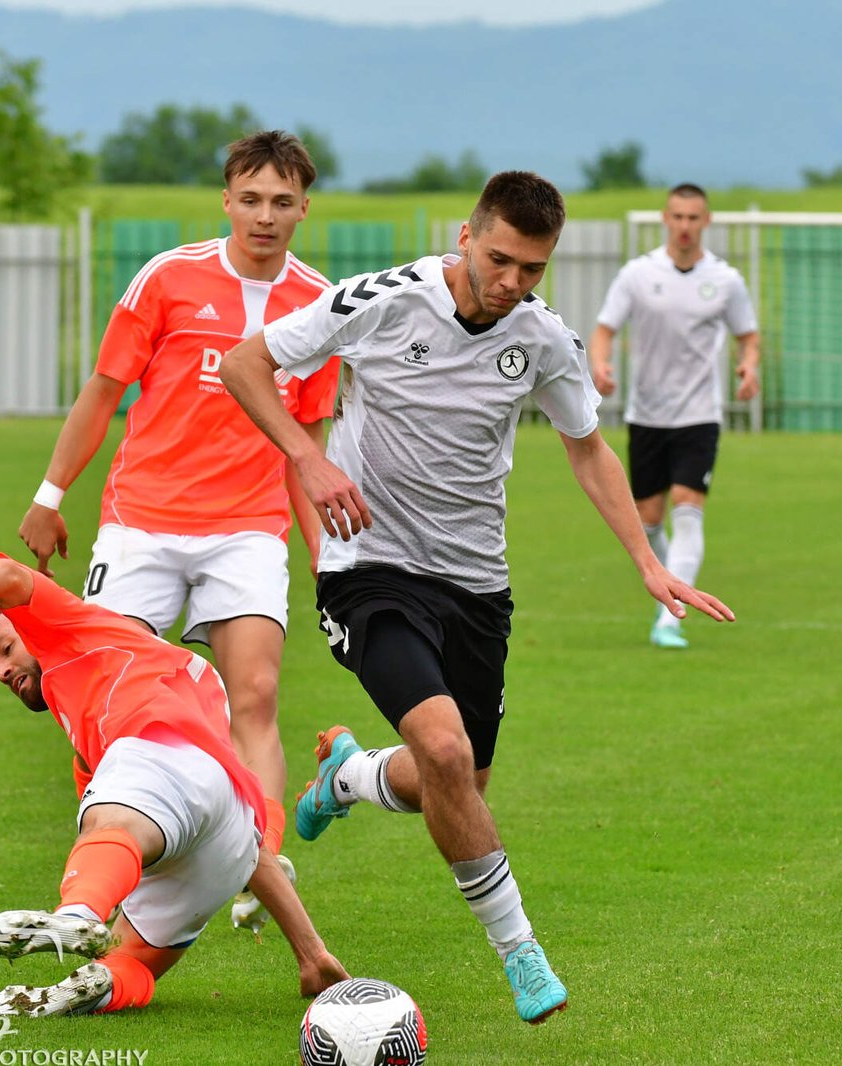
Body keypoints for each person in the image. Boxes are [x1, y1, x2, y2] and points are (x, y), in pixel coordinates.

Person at [217, 171, 735, 1025]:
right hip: (369, 567)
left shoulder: (543, 337)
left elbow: (587, 448)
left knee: (458, 782)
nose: (512, 282)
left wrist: (648, 562)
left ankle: (350, 777)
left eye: (533, 269)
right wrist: (306, 459)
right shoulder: (385, 301)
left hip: (475, 586)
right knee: (445, 751)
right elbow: (246, 363)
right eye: (499, 259)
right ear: (466, 235)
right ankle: (521, 953)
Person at [15, 130, 337, 934]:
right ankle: (108, 860)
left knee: (254, 695)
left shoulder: (320, 305)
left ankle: (261, 860)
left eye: (282, 201)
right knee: (105, 692)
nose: (265, 216)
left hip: (248, 529)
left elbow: (309, 449)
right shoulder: (167, 277)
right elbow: (103, 392)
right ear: (226, 201)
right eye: (250, 199)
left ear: (305, 208)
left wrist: (329, 560)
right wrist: (51, 494)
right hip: (143, 523)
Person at [0, 556, 347, 1017]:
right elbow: (245, 845)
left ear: (31, 625)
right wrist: (312, 953)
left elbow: (4, 574)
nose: (3, 670)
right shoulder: (99, 714)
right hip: (230, 829)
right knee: (130, 959)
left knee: (107, 830)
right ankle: (92, 984)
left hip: (162, 756)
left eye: (6, 649)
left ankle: (75, 913)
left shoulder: (72, 629)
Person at [587, 182, 760, 649]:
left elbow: (748, 336)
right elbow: (604, 330)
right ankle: (670, 588)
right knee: (648, 520)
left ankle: (669, 619)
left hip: (699, 414)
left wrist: (749, 366)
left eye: (693, 217)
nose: (685, 225)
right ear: (665, 219)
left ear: (706, 221)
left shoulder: (725, 280)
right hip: (647, 414)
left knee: (687, 506)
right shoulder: (637, 275)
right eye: (677, 216)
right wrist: (600, 364)